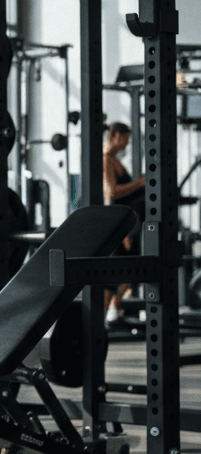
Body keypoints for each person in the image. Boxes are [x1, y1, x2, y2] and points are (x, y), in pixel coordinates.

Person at [102, 121, 145, 322]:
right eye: (126, 137)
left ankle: (112, 309)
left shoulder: (114, 160)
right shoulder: (106, 160)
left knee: (127, 270)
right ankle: (103, 313)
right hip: (120, 226)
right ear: (116, 135)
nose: (128, 142)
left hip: (128, 224)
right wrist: (138, 183)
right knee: (116, 273)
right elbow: (111, 193)